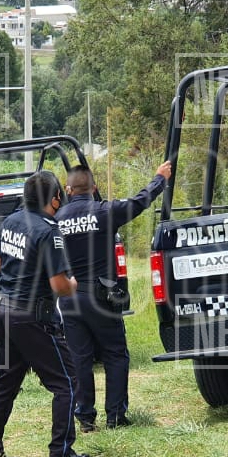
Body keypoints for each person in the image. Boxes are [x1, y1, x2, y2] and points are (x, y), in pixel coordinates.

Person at [0, 170, 89, 457]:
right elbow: (59, 286)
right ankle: (61, 453)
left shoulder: (11, 222)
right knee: (67, 382)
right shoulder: (49, 231)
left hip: (6, 314)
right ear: (55, 199)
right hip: (33, 317)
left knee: (6, 383)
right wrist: (73, 284)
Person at [57, 161, 171, 431]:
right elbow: (139, 202)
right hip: (101, 299)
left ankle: (85, 417)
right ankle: (116, 416)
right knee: (115, 354)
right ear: (93, 187)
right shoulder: (104, 211)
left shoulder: (57, 219)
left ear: (68, 190)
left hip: (70, 299)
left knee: (79, 359)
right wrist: (159, 179)